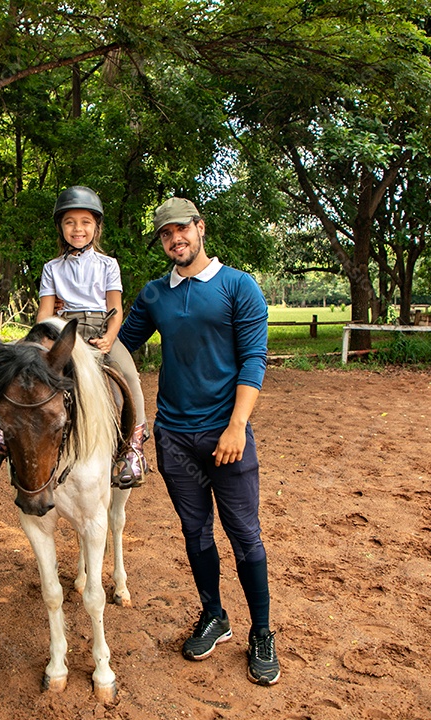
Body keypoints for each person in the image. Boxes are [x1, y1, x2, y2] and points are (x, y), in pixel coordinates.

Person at [117, 197, 279, 685]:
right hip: (174, 438)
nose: (175, 239)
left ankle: (262, 632)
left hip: (226, 436)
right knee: (195, 532)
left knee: (244, 534)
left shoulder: (238, 286)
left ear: (200, 228)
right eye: (166, 234)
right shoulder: (155, 295)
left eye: (181, 229)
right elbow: (119, 345)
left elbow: (254, 359)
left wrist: (236, 426)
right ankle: (214, 616)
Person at [0, 186, 149, 489]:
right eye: (70, 222)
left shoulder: (108, 265)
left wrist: (110, 338)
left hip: (98, 331)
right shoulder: (52, 268)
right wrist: (41, 341)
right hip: (60, 333)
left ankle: (134, 447)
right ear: (61, 227)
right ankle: (3, 435)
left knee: (130, 376)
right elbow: (44, 313)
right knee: (15, 368)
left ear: (96, 227)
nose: (78, 229)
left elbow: (116, 309)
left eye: (85, 222)